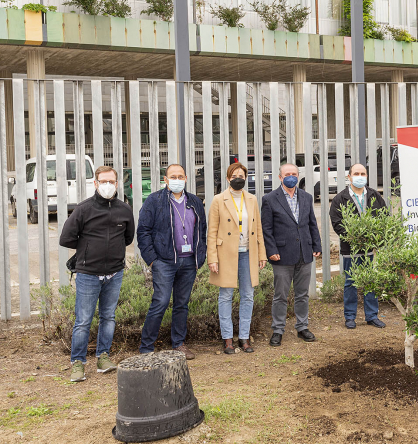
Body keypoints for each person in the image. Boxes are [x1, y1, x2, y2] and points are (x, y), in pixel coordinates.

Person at [60, 166, 134, 382]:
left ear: (117, 184)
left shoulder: (124, 209)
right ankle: (78, 363)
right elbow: (66, 238)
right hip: (88, 274)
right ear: (95, 183)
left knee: (108, 317)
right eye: (103, 181)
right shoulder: (83, 209)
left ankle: (103, 357)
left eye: (111, 181)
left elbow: (128, 238)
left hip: (114, 273)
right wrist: (87, 249)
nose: (108, 185)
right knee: (83, 321)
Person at [137, 164, 207, 359]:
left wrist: (200, 256)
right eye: (173, 176)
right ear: (165, 180)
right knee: (160, 302)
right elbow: (143, 231)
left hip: (188, 262)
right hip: (164, 262)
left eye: (180, 176)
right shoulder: (154, 201)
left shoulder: (194, 201)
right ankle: (146, 347)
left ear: (186, 178)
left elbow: (203, 230)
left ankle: (179, 344)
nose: (177, 179)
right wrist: (152, 260)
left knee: (182, 304)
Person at [207, 162, 268, 353]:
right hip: (226, 254)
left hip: (248, 253)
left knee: (248, 296)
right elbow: (212, 231)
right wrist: (212, 258)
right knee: (225, 296)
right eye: (234, 176)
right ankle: (227, 339)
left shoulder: (252, 199)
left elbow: (258, 228)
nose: (238, 179)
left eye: (241, 175)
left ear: (246, 177)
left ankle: (244, 337)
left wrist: (262, 253)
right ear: (227, 179)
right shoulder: (218, 200)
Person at [261, 163, 322, 347]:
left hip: (305, 252)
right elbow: (266, 229)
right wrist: (271, 251)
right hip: (281, 256)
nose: (291, 177)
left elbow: (312, 223)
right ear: (280, 177)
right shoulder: (270, 199)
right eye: (287, 174)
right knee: (280, 295)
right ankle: (278, 330)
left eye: (294, 174)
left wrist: (316, 244)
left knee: (302, 294)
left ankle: (302, 327)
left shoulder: (306, 197)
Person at [329, 163, 388, 329]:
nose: (360, 176)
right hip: (351, 249)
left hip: (370, 248)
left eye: (363, 173)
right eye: (356, 173)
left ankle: (371, 316)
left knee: (370, 281)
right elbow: (337, 223)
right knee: (350, 282)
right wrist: (353, 238)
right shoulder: (340, 199)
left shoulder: (375, 195)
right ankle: (350, 317)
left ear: (367, 176)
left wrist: (377, 238)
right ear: (349, 177)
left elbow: (384, 218)